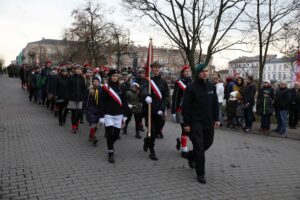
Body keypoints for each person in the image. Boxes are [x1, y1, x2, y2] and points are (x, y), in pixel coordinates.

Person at [182, 63, 220, 184]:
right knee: (199, 146)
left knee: (207, 143)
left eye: (206, 71)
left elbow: (215, 104)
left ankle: (191, 155)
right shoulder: (191, 87)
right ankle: (201, 173)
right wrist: (186, 123)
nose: (205, 73)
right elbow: (185, 106)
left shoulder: (211, 86)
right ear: (197, 73)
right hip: (195, 122)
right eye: (202, 71)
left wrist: (217, 119)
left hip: (208, 121)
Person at [141, 61, 169, 161]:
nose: (156, 69)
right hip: (149, 110)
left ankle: (146, 140)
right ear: (151, 68)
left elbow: (166, 97)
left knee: (157, 129)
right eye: (154, 67)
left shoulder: (163, 82)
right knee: (152, 131)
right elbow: (143, 90)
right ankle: (152, 151)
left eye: (158, 67)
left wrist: (162, 108)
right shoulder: (147, 80)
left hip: (159, 111)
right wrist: (146, 96)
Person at [99, 69, 128, 163]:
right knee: (110, 134)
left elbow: (124, 101)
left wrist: (125, 114)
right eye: (113, 76)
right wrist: (101, 116)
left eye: (116, 76)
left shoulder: (121, 88)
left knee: (116, 135)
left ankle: (110, 144)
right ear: (110, 77)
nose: (115, 77)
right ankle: (110, 152)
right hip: (108, 115)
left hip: (118, 115)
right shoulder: (105, 88)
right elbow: (101, 102)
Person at [171, 65, 192, 157]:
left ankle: (180, 140)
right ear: (182, 72)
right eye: (185, 71)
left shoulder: (192, 82)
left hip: (191, 109)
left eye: (188, 71)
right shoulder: (179, 83)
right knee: (184, 127)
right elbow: (175, 97)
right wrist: (173, 111)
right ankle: (184, 149)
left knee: (189, 129)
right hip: (181, 108)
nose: (187, 72)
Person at [66, 64, 86, 133]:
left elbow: (84, 88)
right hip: (72, 98)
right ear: (74, 70)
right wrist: (69, 96)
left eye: (79, 69)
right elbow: (67, 88)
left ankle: (76, 123)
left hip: (80, 98)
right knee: (74, 113)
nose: (78, 70)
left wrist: (83, 96)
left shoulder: (82, 78)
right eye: (77, 69)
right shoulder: (71, 77)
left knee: (80, 113)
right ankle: (74, 126)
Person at [86, 77, 102, 146]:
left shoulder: (101, 90)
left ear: (99, 82)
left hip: (99, 108)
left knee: (97, 124)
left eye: (96, 81)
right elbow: (86, 99)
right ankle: (93, 137)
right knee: (92, 123)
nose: (95, 82)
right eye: (94, 81)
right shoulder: (89, 90)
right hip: (91, 108)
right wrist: (85, 107)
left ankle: (91, 135)